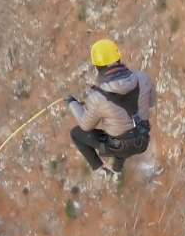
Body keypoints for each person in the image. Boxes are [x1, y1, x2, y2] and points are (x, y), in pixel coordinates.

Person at [67, 39, 156, 177]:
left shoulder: (97, 97)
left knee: (76, 134)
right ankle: (117, 169)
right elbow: (151, 103)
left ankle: (100, 169)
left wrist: (72, 103)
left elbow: (85, 126)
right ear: (118, 58)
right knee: (122, 135)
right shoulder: (143, 78)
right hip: (142, 140)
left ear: (97, 67)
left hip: (118, 146)